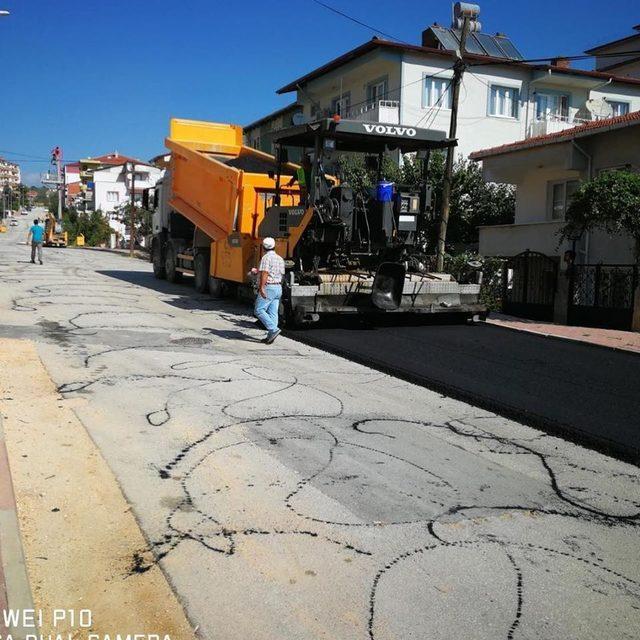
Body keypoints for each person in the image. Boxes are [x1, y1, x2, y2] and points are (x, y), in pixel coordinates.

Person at [255, 237, 285, 344]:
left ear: (263, 247)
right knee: (273, 312)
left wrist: (262, 287)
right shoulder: (280, 258)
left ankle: (273, 329)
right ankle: (270, 337)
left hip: (269, 287)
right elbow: (280, 274)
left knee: (259, 310)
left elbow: (265, 273)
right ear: (274, 246)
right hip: (278, 287)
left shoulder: (266, 258)